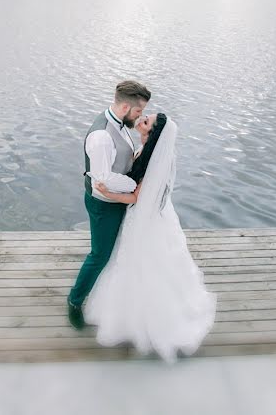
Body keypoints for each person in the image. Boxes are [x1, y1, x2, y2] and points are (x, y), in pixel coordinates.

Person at [86, 112, 217, 362]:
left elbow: (136, 197)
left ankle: (145, 321)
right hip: (148, 214)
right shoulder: (147, 151)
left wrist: (106, 192)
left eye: (146, 121)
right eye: (145, 116)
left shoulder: (155, 161)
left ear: (152, 133)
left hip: (145, 218)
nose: (142, 119)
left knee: (143, 265)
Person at [67, 80, 151, 330]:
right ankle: (74, 301)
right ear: (125, 106)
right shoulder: (102, 136)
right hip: (104, 203)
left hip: (117, 199)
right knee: (99, 255)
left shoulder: (120, 123)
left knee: (113, 252)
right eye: (138, 111)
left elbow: (121, 158)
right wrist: (136, 187)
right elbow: (103, 178)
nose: (140, 116)